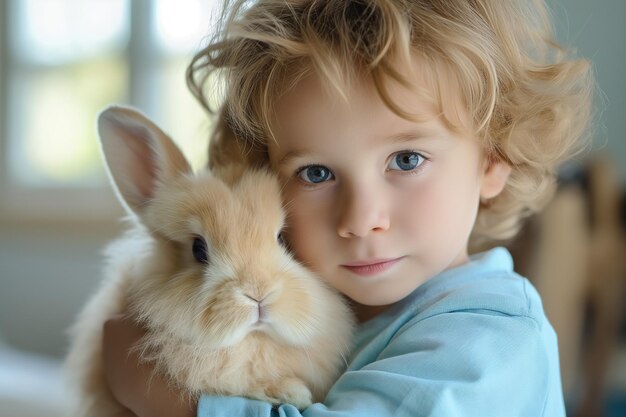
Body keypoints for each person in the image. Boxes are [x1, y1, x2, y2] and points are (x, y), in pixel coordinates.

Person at [101, 0, 595, 416]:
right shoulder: (333, 311)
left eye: (406, 159)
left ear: (494, 158)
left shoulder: (490, 340)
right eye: (316, 173)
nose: (360, 218)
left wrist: (168, 395)